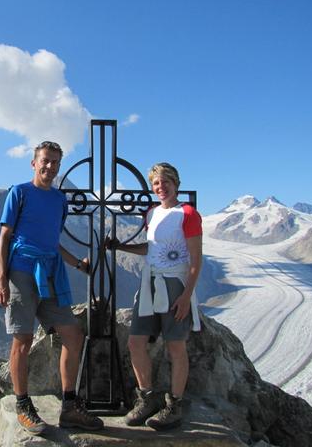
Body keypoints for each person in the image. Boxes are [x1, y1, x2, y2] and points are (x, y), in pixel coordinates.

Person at [0, 140, 104, 435]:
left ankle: (69, 407)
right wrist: (0, 278)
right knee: (22, 340)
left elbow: (52, 241)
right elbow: (5, 236)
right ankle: (23, 405)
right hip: (21, 271)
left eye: (55, 162)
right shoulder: (19, 193)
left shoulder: (58, 200)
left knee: (73, 334)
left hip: (50, 272)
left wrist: (77, 264)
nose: (50, 167)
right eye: (45, 161)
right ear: (33, 163)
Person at [107, 162, 202, 430]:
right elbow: (150, 250)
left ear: (175, 182)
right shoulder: (151, 214)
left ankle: (174, 406)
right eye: (156, 184)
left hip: (174, 284)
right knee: (136, 342)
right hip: (149, 283)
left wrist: (186, 296)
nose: (161, 187)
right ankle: (146, 399)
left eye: (165, 182)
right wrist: (121, 246)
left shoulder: (188, 214)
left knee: (175, 346)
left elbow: (196, 260)